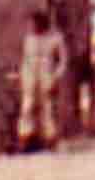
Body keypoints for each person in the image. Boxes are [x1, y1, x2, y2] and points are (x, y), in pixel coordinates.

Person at [16, 8, 68, 152]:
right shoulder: (28, 39)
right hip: (30, 77)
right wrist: (22, 77)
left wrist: (56, 76)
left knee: (48, 108)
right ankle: (25, 138)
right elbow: (24, 59)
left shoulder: (55, 38)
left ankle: (50, 138)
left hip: (47, 76)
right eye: (30, 24)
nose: (32, 27)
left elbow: (63, 60)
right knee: (27, 107)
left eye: (34, 24)